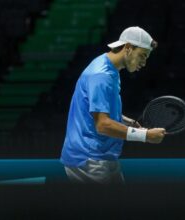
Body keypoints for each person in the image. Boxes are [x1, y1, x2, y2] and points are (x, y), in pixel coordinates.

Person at [60, 26, 166, 184]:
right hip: (89, 160)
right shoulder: (101, 75)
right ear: (128, 48)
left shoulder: (109, 68)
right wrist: (146, 136)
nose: (144, 63)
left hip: (103, 156)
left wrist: (123, 120)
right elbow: (102, 125)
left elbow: (96, 110)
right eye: (142, 56)